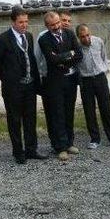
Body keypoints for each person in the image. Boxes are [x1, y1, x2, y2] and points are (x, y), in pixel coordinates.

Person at [0, 8, 47, 164]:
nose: (24, 25)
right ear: (13, 22)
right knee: (14, 120)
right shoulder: (2, 39)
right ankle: (18, 152)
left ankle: (31, 149)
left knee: (30, 119)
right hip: (13, 89)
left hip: (29, 86)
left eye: (26, 21)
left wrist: (35, 82)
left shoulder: (28, 36)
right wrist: (9, 79)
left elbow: (32, 60)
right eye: (21, 22)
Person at [38, 11, 83, 161]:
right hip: (55, 82)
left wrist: (62, 58)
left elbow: (79, 54)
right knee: (58, 114)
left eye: (58, 23)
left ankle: (70, 143)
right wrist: (68, 54)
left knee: (69, 111)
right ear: (47, 26)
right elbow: (52, 60)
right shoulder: (44, 39)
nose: (57, 26)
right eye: (53, 25)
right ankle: (60, 147)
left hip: (71, 80)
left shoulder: (69, 34)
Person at [75, 24, 110, 149]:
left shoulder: (98, 41)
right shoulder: (77, 47)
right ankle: (95, 139)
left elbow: (104, 57)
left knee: (106, 109)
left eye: (88, 35)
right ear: (78, 37)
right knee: (89, 110)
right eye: (83, 37)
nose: (86, 38)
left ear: (90, 33)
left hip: (100, 78)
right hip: (86, 81)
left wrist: (104, 70)